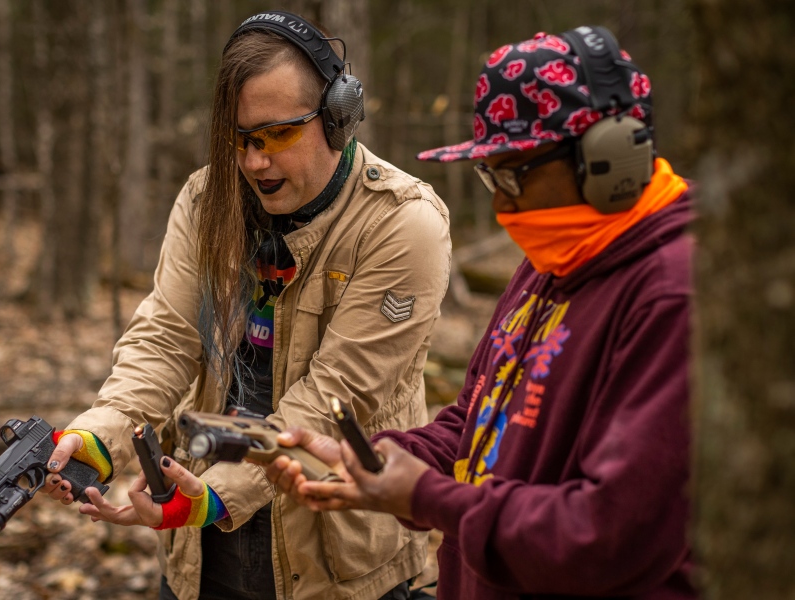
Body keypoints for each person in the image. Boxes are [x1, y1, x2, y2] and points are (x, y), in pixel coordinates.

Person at [268, 26, 699, 600]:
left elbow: (609, 536)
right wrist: (388, 460)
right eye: (485, 173)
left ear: (610, 158)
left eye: (512, 174)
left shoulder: (674, 297)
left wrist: (424, 495)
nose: (499, 203)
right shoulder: (554, 258)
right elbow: (480, 424)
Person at [39, 10, 451, 600]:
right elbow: (168, 338)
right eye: (239, 139)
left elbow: (336, 399)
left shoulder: (402, 224)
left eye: (277, 134)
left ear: (337, 116)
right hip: (200, 544)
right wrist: (100, 436)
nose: (255, 161)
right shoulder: (209, 198)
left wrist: (213, 497)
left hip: (337, 558)